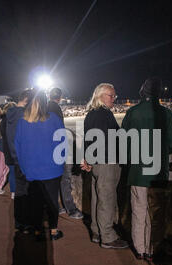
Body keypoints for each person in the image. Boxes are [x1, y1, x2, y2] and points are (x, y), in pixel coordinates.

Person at [121, 77, 172, 261]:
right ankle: (152, 248)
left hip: (138, 171)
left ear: (142, 91)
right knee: (156, 212)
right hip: (158, 170)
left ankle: (139, 248)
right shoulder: (166, 113)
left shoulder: (132, 112)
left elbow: (123, 141)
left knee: (138, 209)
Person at [81, 83, 129, 249]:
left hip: (97, 163)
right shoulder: (103, 114)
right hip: (107, 162)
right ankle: (108, 237)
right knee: (106, 200)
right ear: (100, 96)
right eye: (111, 95)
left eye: (114, 95)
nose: (114, 99)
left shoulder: (92, 114)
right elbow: (107, 140)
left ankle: (97, 231)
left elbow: (88, 138)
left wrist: (88, 159)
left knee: (97, 198)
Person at [15, 90, 65, 241]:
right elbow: (62, 144)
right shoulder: (54, 119)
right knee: (51, 201)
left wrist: (24, 167)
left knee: (35, 202)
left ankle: (37, 230)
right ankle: (53, 231)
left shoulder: (22, 121)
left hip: (31, 169)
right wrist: (60, 163)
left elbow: (18, 147)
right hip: (52, 169)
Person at [48, 87, 83, 219]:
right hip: (59, 148)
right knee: (65, 179)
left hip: (52, 148)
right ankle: (71, 209)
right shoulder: (55, 108)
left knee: (56, 179)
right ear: (60, 97)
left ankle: (58, 206)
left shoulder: (46, 107)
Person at [6, 89, 36, 232]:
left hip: (16, 157)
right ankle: (27, 223)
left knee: (19, 192)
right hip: (25, 158)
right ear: (27, 100)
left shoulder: (10, 113)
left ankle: (19, 222)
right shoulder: (22, 115)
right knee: (27, 192)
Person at [0, 102, 17, 199]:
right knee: (15, 171)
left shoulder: (3, 121)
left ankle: (13, 191)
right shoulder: (12, 120)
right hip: (13, 148)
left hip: (7, 148)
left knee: (12, 171)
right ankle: (15, 191)